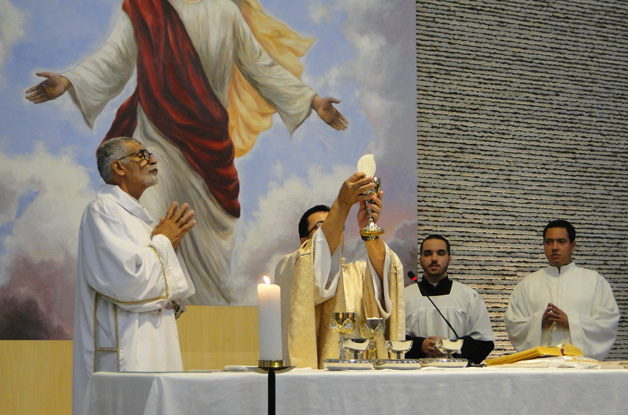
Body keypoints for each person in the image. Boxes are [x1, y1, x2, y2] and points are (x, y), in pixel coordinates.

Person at [25, 0, 347, 305]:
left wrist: (312, 101)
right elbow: (112, 59)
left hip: (209, 150)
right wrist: (69, 81)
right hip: (156, 139)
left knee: (209, 263)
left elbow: (261, 68)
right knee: (151, 226)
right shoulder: (146, 8)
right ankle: (153, 315)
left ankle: (207, 329)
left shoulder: (224, 12)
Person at [72, 137, 196, 415]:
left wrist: (167, 245)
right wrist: (164, 243)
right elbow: (127, 281)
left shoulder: (140, 218)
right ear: (118, 167)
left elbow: (164, 287)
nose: (152, 159)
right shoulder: (103, 211)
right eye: (142, 154)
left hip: (157, 339)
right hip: (128, 347)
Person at [274, 173, 405, 369]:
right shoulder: (291, 266)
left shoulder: (359, 273)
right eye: (323, 227)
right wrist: (342, 204)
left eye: (338, 226)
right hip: (321, 372)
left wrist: (368, 229)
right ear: (304, 241)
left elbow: (388, 271)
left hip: (364, 372)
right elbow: (316, 257)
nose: (335, 232)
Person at [504, 219, 619, 361]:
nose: (554, 247)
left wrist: (571, 322)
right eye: (549, 242)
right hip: (540, 366)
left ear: (572, 246)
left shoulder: (594, 281)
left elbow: (607, 323)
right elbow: (514, 324)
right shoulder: (527, 284)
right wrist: (538, 322)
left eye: (561, 241)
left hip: (580, 366)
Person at [404, 234, 494, 364]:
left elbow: (483, 343)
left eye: (440, 253)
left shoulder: (469, 296)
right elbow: (392, 341)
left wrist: (450, 347)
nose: (434, 259)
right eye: (428, 254)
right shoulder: (404, 297)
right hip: (415, 373)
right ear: (421, 260)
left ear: (449, 259)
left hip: (457, 373)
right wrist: (421, 346)